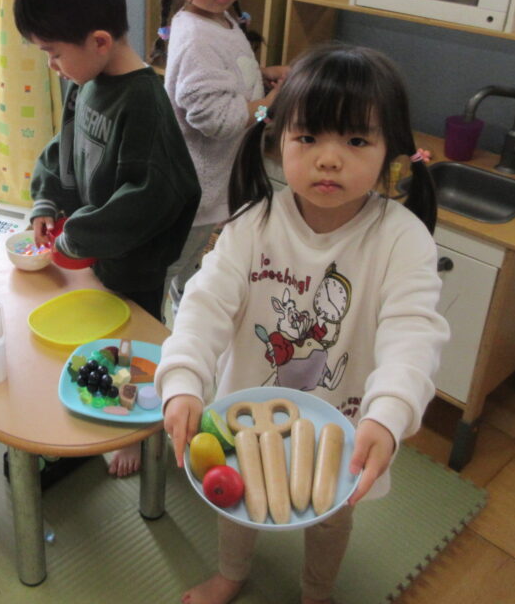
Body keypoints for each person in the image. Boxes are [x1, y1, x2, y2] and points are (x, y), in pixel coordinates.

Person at [155, 43, 448, 604]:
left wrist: (390, 412)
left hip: (343, 422)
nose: (329, 159)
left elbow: (413, 334)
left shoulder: (402, 239)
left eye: (356, 140)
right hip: (247, 413)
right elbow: (203, 305)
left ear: (390, 150)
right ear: (278, 138)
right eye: (308, 137)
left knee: (331, 518)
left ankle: (317, 591)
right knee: (236, 499)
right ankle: (232, 574)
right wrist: (184, 377)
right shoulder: (251, 225)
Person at [14, 0, 201, 477]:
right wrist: (48, 199)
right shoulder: (85, 82)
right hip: (94, 250)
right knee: (96, 334)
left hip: (132, 261)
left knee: (131, 344)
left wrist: (79, 236)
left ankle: (134, 431)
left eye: (53, 53)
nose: (52, 65)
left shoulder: (143, 103)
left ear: (99, 41)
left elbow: (153, 197)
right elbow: (63, 146)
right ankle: (107, 400)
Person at [151, 0, 290, 319]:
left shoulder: (220, 20)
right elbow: (220, 120)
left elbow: (225, 77)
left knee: (193, 263)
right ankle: (160, 323)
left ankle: (185, 303)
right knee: (173, 266)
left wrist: (260, 75)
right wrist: (269, 106)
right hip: (197, 193)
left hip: (214, 184)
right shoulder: (197, 37)